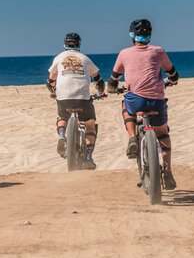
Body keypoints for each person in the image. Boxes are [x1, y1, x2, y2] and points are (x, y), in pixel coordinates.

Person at [107, 19, 179, 189]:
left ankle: (132, 138)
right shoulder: (159, 51)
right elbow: (173, 73)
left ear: (132, 36)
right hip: (156, 101)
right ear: (149, 35)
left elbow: (113, 79)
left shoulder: (124, 53)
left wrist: (111, 88)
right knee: (162, 133)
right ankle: (167, 172)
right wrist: (172, 80)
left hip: (135, 101)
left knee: (126, 105)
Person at [47, 32, 105, 169]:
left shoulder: (59, 57)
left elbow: (50, 80)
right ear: (79, 44)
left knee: (62, 116)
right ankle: (89, 156)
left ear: (65, 44)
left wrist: (54, 91)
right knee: (90, 124)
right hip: (82, 99)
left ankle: (62, 136)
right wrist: (101, 92)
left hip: (63, 97)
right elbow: (98, 79)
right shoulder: (85, 59)